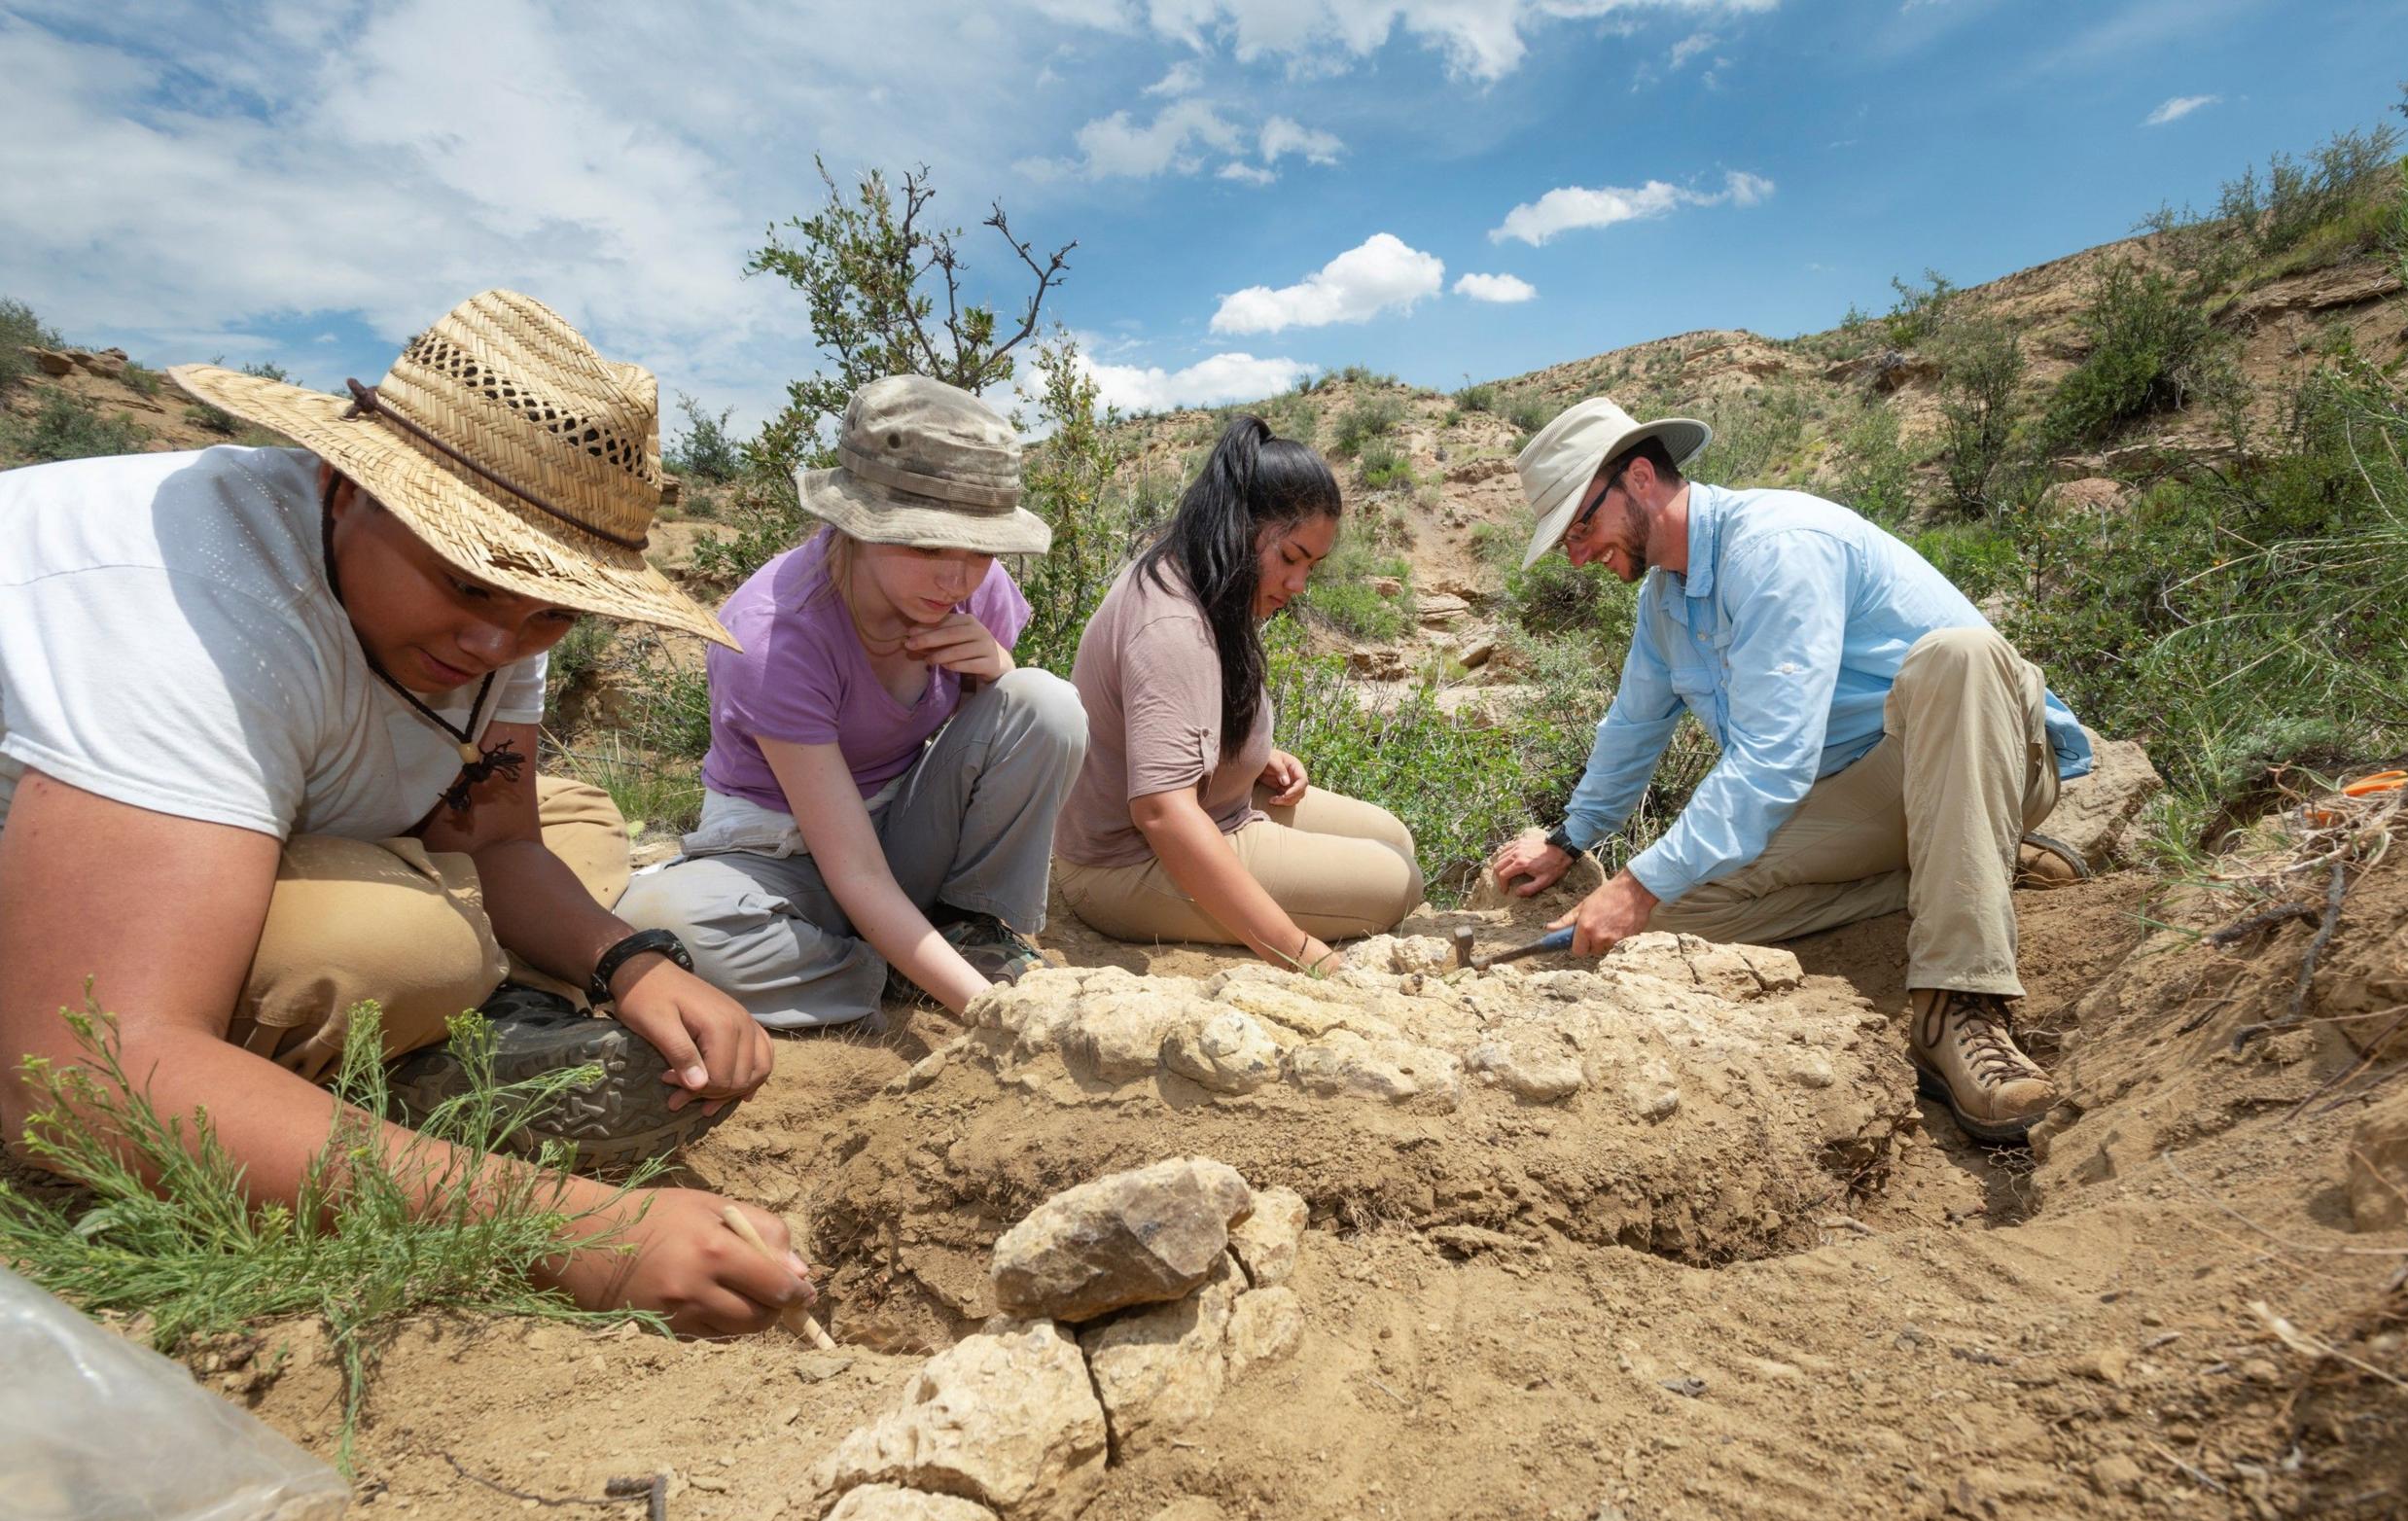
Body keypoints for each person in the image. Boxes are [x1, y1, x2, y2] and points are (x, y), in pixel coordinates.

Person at [0, 289, 815, 1336]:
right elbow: (81, 1076)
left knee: (575, 822)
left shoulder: (502, 621)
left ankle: (426, 1030)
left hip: (274, 823)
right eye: (467, 586)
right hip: (79, 882)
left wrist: (630, 962)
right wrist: (570, 1232)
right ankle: (394, 1072)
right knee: (395, 946)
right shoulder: (183, 607)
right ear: (345, 486)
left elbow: (502, 835)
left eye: (551, 612)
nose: (499, 645)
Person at [1485, 397, 2096, 1146]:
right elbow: (1634, 726)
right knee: (1665, 918)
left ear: (1640, 478)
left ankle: (1956, 1005)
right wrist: (1571, 839)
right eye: (1565, 542)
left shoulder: (1777, 545)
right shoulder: (1664, 601)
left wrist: (1636, 880)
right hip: (1861, 803)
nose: (1577, 555)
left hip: (1976, 756)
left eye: (1580, 526)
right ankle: (1966, 866)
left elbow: (1773, 761)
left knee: (1956, 658)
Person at [616, 375, 1087, 1028]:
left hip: (902, 827)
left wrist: (994, 671)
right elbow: (854, 870)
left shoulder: (978, 589)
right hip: (778, 852)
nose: (956, 578)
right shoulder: (774, 633)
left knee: (1044, 700)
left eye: (980, 549)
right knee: (672, 929)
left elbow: (999, 739)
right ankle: (894, 969)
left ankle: (965, 928)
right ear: (857, 522)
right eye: (924, 544)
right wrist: (988, 1012)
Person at [1053, 416, 1423, 969]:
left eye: (1312, 567)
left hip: (1218, 805)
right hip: (1127, 863)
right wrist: (1302, 953)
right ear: (1238, 526)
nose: (1298, 585)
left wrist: (1251, 755)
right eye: (1291, 557)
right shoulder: (1171, 624)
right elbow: (1161, 814)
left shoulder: (1201, 574)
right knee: (1399, 883)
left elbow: (1167, 720)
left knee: (1396, 837)